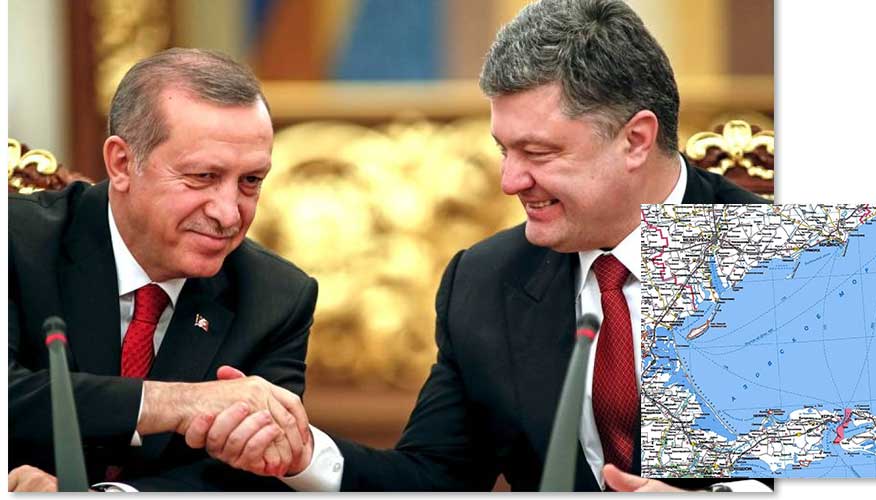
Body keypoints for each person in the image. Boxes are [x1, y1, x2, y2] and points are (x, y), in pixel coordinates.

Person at [189, 0, 773, 492]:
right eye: (503, 150)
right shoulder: (487, 279)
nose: (510, 181)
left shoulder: (771, 254)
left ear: (636, 140)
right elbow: (433, 479)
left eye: (538, 153)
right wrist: (303, 454)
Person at [7, 48, 316, 492]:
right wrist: (177, 402)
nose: (229, 214)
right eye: (203, 176)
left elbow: (252, 475)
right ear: (122, 163)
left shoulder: (276, 297)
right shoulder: (15, 242)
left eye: (250, 181)